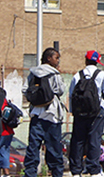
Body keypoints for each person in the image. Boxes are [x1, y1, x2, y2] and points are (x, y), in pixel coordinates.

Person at [68, 50, 104, 177]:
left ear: (85, 60)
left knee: (78, 141)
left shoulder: (77, 75)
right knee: (94, 140)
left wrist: (73, 112)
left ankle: (76, 171)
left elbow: (71, 95)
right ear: (97, 62)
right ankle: (94, 170)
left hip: (80, 113)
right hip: (97, 112)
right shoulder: (102, 75)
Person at [22, 47, 66, 177]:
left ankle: (30, 173)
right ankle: (56, 173)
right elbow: (60, 90)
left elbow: (25, 89)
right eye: (56, 58)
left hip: (37, 114)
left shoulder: (33, 72)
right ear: (49, 58)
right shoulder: (54, 74)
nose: (58, 61)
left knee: (33, 148)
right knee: (54, 149)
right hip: (52, 116)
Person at [0, 88, 15, 177]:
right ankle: (6, 174)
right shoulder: (4, 98)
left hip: (2, 130)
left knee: (4, 151)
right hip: (8, 130)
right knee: (4, 151)